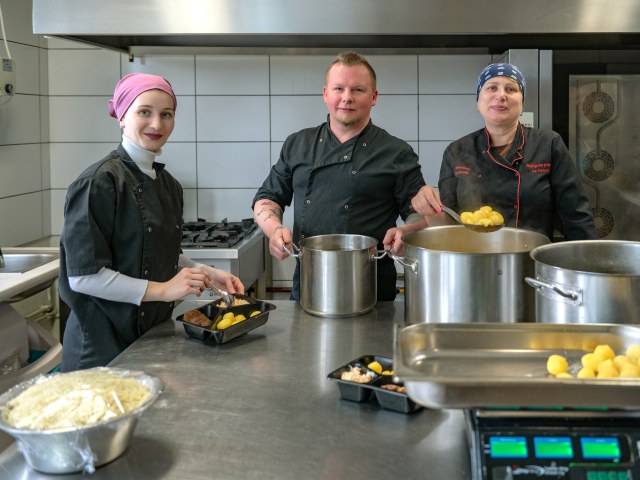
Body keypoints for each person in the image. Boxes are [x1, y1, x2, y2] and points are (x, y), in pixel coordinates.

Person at [59, 73, 244, 371]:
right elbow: (83, 276)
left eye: (166, 114)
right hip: (100, 349)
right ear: (121, 116)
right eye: (144, 112)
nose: (157, 124)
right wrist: (164, 290)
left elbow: (153, 250)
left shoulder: (168, 184)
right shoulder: (99, 182)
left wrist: (204, 272)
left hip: (149, 339)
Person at [252, 51, 441, 302]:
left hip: (372, 287)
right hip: (310, 282)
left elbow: (417, 213)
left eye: (358, 90)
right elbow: (267, 198)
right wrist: (274, 229)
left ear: (373, 97)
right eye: (339, 88)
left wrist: (407, 230)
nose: (347, 98)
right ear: (325, 94)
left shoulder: (396, 152)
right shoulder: (298, 144)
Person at [435, 63, 596, 240]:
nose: (501, 95)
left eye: (511, 89)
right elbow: (447, 221)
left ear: (522, 104)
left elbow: (576, 217)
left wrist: (584, 262)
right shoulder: (456, 151)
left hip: (532, 259)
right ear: (478, 102)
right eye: (492, 88)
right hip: (473, 260)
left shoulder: (548, 144)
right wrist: (428, 206)